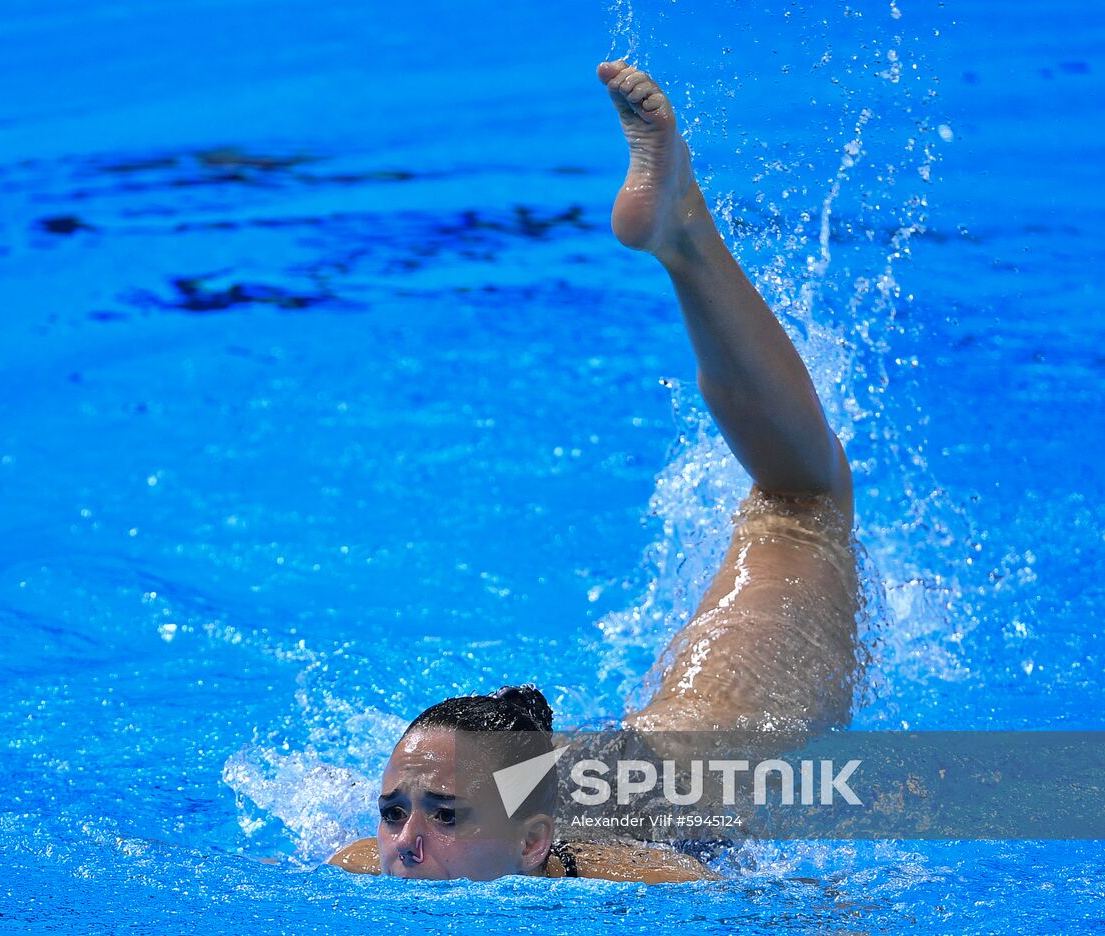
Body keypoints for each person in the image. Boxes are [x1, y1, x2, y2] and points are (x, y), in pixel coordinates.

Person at [327, 60, 862, 882]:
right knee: (801, 500)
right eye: (394, 810)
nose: (403, 842)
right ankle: (680, 228)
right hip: (616, 771)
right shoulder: (431, 859)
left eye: (432, 815)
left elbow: (735, 893)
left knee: (802, 504)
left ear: (539, 847)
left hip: (649, 772)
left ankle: (686, 236)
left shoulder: (580, 864)